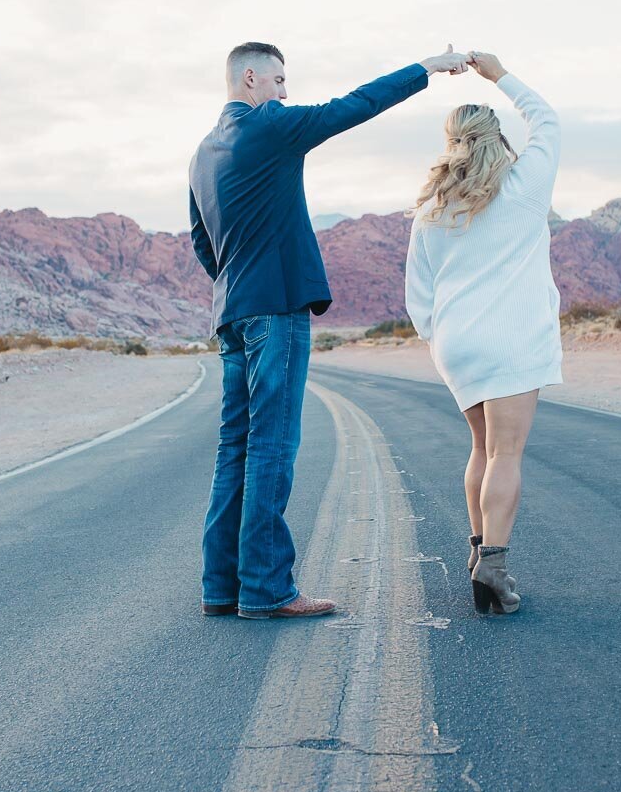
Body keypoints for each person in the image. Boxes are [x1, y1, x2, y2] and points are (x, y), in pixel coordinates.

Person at [188, 40, 468, 619]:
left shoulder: (202, 153)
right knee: (270, 447)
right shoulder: (270, 126)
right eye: (280, 81)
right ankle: (266, 589)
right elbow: (354, 106)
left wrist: (239, 280)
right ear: (250, 79)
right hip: (276, 309)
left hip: (233, 313)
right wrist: (428, 68)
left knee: (233, 447)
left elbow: (201, 241)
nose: (286, 93)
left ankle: (222, 587)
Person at [404, 51, 562, 615]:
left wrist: (436, 338)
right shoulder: (526, 185)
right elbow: (547, 120)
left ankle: (477, 555)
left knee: (480, 447)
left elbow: (418, 292)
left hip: (457, 344)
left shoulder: (432, 210)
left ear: (450, 143)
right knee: (507, 453)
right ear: (496, 137)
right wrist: (498, 74)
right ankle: (494, 566)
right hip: (513, 337)